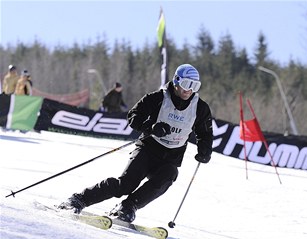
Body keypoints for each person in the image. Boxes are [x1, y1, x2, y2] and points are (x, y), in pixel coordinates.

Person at [58, 64, 213, 223]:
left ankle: (127, 207)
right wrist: (151, 128)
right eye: (187, 84)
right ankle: (78, 200)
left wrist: (205, 150)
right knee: (125, 185)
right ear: (176, 81)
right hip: (148, 149)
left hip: (171, 157)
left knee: (168, 176)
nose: (189, 90)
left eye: (195, 86)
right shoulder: (157, 98)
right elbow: (133, 116)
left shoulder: (200, 108)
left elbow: (205, 133)